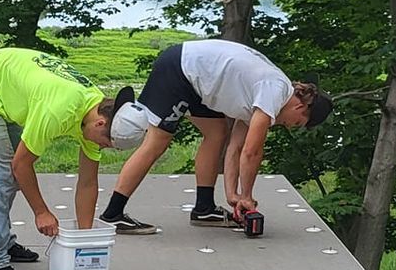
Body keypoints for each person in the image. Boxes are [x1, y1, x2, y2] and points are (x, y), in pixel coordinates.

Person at [0, 47, 143, 270]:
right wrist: (41, 212)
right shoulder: (58, 111)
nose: (103, 148)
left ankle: (1, 242)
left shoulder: (97, 110)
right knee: (1, 176)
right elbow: (21, 165)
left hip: (3, 84)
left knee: (9, 174)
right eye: (106, 142)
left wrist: (81, 243)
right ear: (101, 123)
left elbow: (88, 183)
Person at [97, 38, 333, 232]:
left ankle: (204, 208)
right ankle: (113, 213)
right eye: (296, 124)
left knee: (217, 133)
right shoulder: (273, 92)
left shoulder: (265, 96)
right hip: (180, 70)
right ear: (301, 108)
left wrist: (234, 195)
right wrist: (248, 196)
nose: (287, 125)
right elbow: (253, 152)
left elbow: (237, 148)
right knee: (158, 141)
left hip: (197, 80)